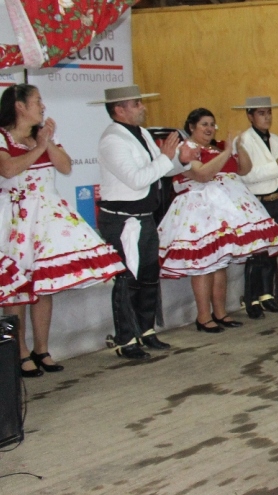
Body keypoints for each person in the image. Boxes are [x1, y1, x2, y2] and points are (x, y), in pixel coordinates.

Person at [0, 84, 125, 375]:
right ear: (19, 106)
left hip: (45, 216)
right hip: (16, 218)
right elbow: (7, 170)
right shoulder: (2, 137)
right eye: (37, 101)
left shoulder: (43, 137)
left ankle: (41, 348)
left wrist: (47, 142)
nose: (42, 106)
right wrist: (41, 147)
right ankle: (16, 352)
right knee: (15, 289)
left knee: (44, 285)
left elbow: (66, 166)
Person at [158, 108, 278, 331]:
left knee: (220, 264)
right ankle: (203, 316)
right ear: (191, 127)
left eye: (212, 124)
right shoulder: (186, 148)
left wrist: (239, 147)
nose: (209, 129)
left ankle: (220, 312)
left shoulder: (215, 148)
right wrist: (226, 152)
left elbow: (244, 170)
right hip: (199, 210)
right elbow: (202, 174)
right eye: (204, 124)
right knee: (203, 265)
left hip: (224, 209)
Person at [95, 84, 196, 359]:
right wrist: (166, 159)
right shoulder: (112, 140)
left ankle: (146, 330)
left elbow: (159, 170)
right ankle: (125, 339)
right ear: (119, 109)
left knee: (149, 276)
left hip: (144, 217)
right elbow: (138, 179)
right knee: (128, 279)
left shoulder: (141, 134)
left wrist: (181, 162)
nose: (143, 107)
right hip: (122, 220)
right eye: (136, 103)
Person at [234, 96, 278, 317]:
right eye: (261, 113)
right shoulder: (242, 141)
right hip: (256, 202)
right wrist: (277, 164)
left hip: (276, 199)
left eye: (269, 112)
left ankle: (267, 296)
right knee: (256, 253)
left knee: (271, 251)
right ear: (250, 116)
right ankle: (251, 300)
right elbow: (247, 176)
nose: (267, 117)